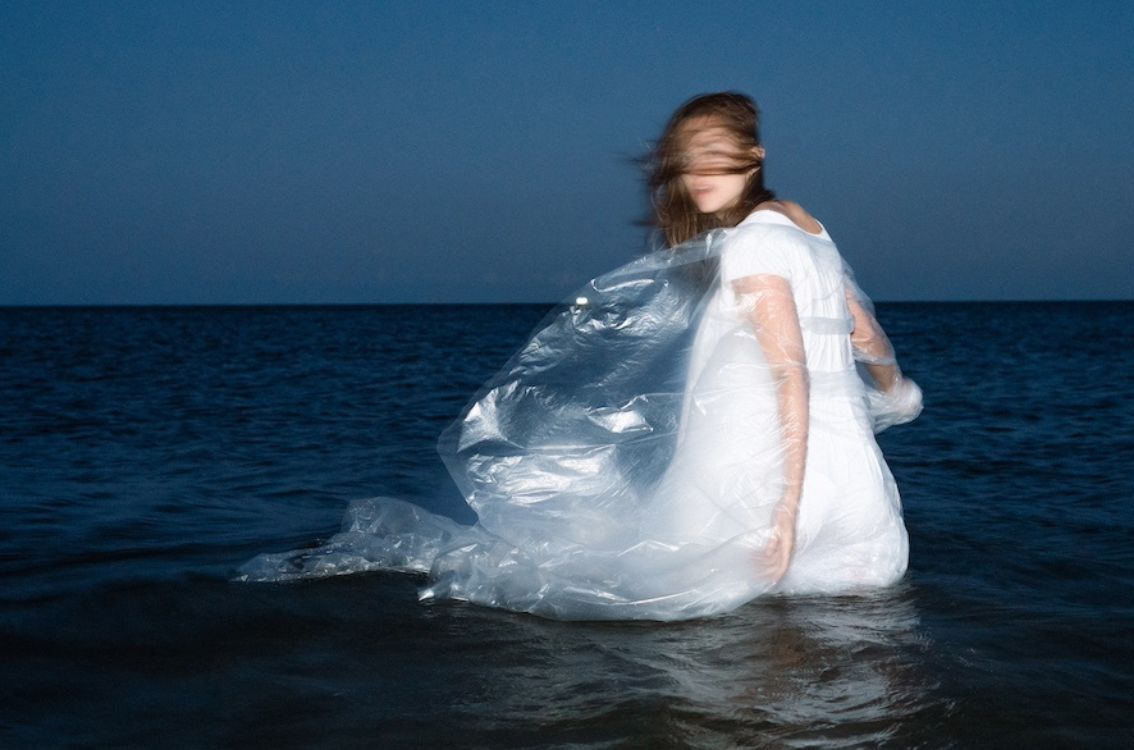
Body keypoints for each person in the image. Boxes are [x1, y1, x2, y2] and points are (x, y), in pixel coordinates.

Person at [238, 92, 922, 622]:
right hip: (860, 497)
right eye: (688, 159)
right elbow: (862, 329)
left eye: (716, 155)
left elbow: (789, 375)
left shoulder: (750, 246)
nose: (699, 174)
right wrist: (894, 393)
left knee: (709, 661)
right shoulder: (807, 226)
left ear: (756, 156)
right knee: (839, 661)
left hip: (765, 485)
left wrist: (783, 516)